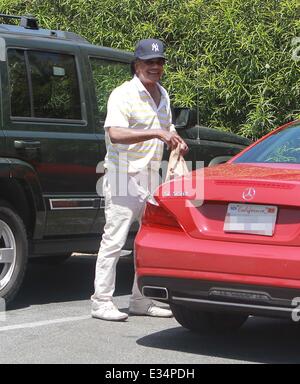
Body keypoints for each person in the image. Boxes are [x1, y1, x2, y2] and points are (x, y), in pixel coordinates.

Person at [91, 38, 188, 321]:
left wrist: (176, 140)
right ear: (137, 65)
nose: (155, 67)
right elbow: (115, 134)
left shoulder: (163, 94)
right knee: (114, 240)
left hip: (150, 177)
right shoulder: (123, 94)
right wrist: (157, 134)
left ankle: (140, 300)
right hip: (122, 175)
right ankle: (101, 301)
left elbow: (166, 126)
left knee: (146, 240)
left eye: (159, 62)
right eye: (149, 62)